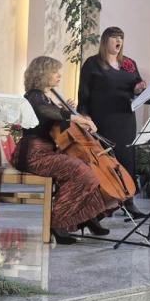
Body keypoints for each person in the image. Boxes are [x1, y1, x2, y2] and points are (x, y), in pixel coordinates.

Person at [12, 56, 116, 244]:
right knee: (82, 172)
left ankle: (87, 216)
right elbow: (43, 111)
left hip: (46, 152)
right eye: (54, 71)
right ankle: (58, 223)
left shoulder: (45, 97)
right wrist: (74, 117)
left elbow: (52, 121)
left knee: (90, 168)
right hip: (33, 155)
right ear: (42, 74)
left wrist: (66, 111)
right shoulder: (34, 95)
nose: (59, 75)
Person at [78, 26, 147, 218]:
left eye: (121, 38)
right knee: (105, 162)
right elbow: (83, 92)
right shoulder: (93, 63)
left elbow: (136, 86)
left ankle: (129, 202)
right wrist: (84, 115)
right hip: (101, 119)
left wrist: (139, 88)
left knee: (126, 159)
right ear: (105, 40)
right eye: (115, 37)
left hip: (125, 118)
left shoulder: (129, 63)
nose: (119, 41)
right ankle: (101, 205)